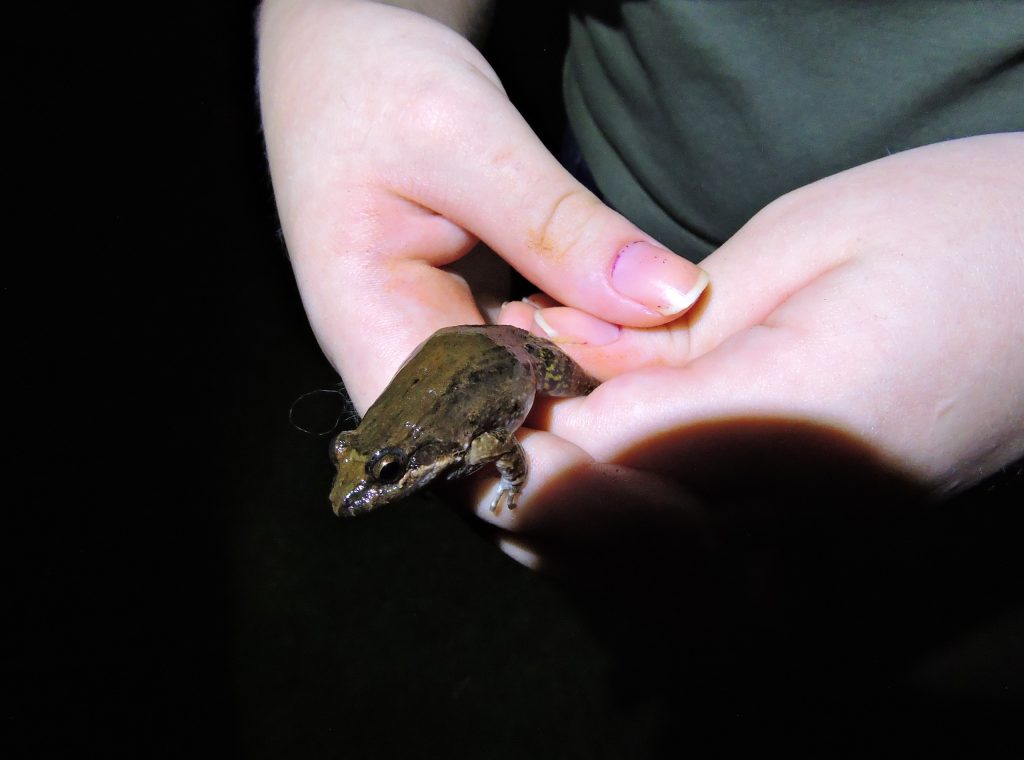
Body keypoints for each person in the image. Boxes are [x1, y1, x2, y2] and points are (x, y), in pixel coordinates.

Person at [257, 0, 1023, 551]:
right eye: (367, 464)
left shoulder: (466, 447)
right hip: (609, 177)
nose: (363, 490)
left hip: (973, 237)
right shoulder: (444, 437)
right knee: (680, 540)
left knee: (877, 550)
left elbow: (505, 450)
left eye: (386, 471)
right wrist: (340, 20)